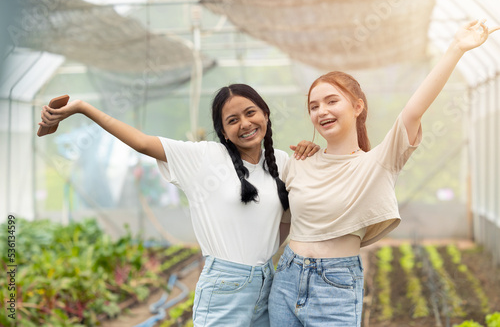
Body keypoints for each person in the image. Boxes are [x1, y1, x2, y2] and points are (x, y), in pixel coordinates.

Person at [268, 20, 499, 326]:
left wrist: (456, 48)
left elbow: (414, 110)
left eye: (332, 101)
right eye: (314, 106)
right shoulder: (299, 161)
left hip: (334, 285)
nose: (321, 111)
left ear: (357, 107)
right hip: (285, 277)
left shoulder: (378, 162)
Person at [38, 83, 320, 327]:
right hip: (225, 286)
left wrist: (314, 153)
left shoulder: (281, 162)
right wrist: (83, 108)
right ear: (222, 131)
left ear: (265, 114)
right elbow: (142, 142)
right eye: (232, 120)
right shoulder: (203, 157)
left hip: (266, 282)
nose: (245, 124)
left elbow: (287, 218)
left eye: (250, 113)